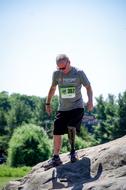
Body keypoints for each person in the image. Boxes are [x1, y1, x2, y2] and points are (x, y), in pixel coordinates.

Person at [45, 54, 93, 168]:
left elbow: (88, 87)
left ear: (69, 62)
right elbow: (52, 88)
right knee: (56, 128)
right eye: (59, 68)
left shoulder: (79, 73)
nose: (62, 70)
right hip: (63, 108)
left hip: (77, 106)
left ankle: (73, 152)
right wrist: (48, 102)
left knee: (71, 126)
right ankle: (56, 157)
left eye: (63, 67)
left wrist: (90, 101)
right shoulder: (56, 74)